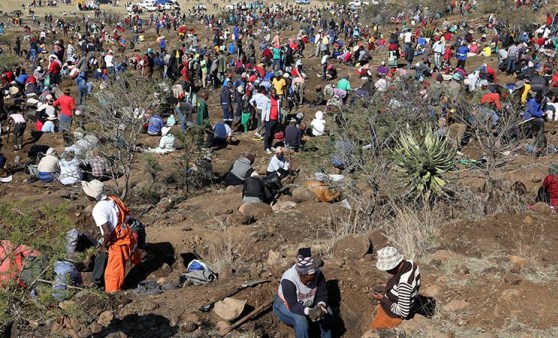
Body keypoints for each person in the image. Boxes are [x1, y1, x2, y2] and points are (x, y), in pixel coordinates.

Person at [82, 180, 141, 293]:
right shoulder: (113, 199)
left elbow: (107, 232)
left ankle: (113, 295)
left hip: (118, 242)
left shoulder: (99, 209)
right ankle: (137, 275)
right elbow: (127, 215)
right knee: (134, 263)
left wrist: (103, 246)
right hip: (127, 235)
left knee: (113, 274)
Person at [273, 247, 332, 338]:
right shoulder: (289, 280)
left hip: (307, 303)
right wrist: (309, 311)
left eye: (312, 280)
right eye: (306, 281)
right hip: (285, 304)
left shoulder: (318, 275)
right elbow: (293, 305)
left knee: (328, 313)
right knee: (300, 320)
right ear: (299, 274)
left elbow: (322, 295)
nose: (309, 283)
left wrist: (321, 305)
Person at [369, 247, 421, 330]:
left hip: (390, 317)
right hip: (391, 308)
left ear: (392, 267)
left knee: (374, 331)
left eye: (386, 269)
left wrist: (383, 299)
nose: (386, 271)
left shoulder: (404, 284)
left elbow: (403, 312)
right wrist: (392, 287)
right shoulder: (410, 264)